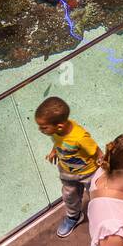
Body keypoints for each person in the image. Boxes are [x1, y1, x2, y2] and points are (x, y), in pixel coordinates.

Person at [35, 96, 102, 238]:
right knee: (69, 195)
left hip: (89, 173)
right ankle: (74, 217)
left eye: (43, 127)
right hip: (67, 172)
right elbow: (59, 142)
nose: (40, 130)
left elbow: (96, 151)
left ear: (59, 125)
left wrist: (105, 165)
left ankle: (101, 215)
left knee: (96, 195)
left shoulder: (80, 137)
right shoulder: (56, 132)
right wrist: (54, 151)